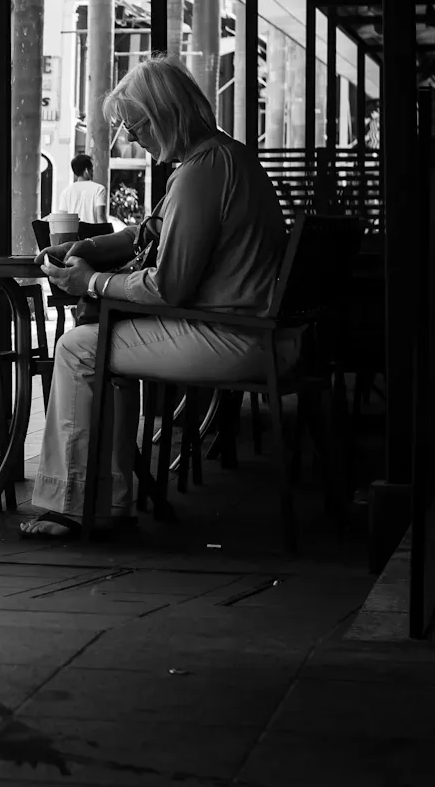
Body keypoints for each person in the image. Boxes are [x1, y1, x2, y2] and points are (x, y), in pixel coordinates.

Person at [27, 56, 290, 539]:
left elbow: (168, 287)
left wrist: (90, 282)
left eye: (136, 123)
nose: (132, 136)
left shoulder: (201, 173)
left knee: (80, 347)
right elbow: (146, 234)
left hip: (235, 337)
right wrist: (87, 247)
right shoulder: (222, 157)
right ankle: (103, 500)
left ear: (167, 113)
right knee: (97, 344)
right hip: (261, 331)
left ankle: (77, 505)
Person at [54, 153, 109, 224]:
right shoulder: (99, 189)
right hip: (94, 234)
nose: (93, 172)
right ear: (86, 170)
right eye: (91, 169)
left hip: (73, 234)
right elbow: (101, 217)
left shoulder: (66, 191)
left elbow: (63, 219)